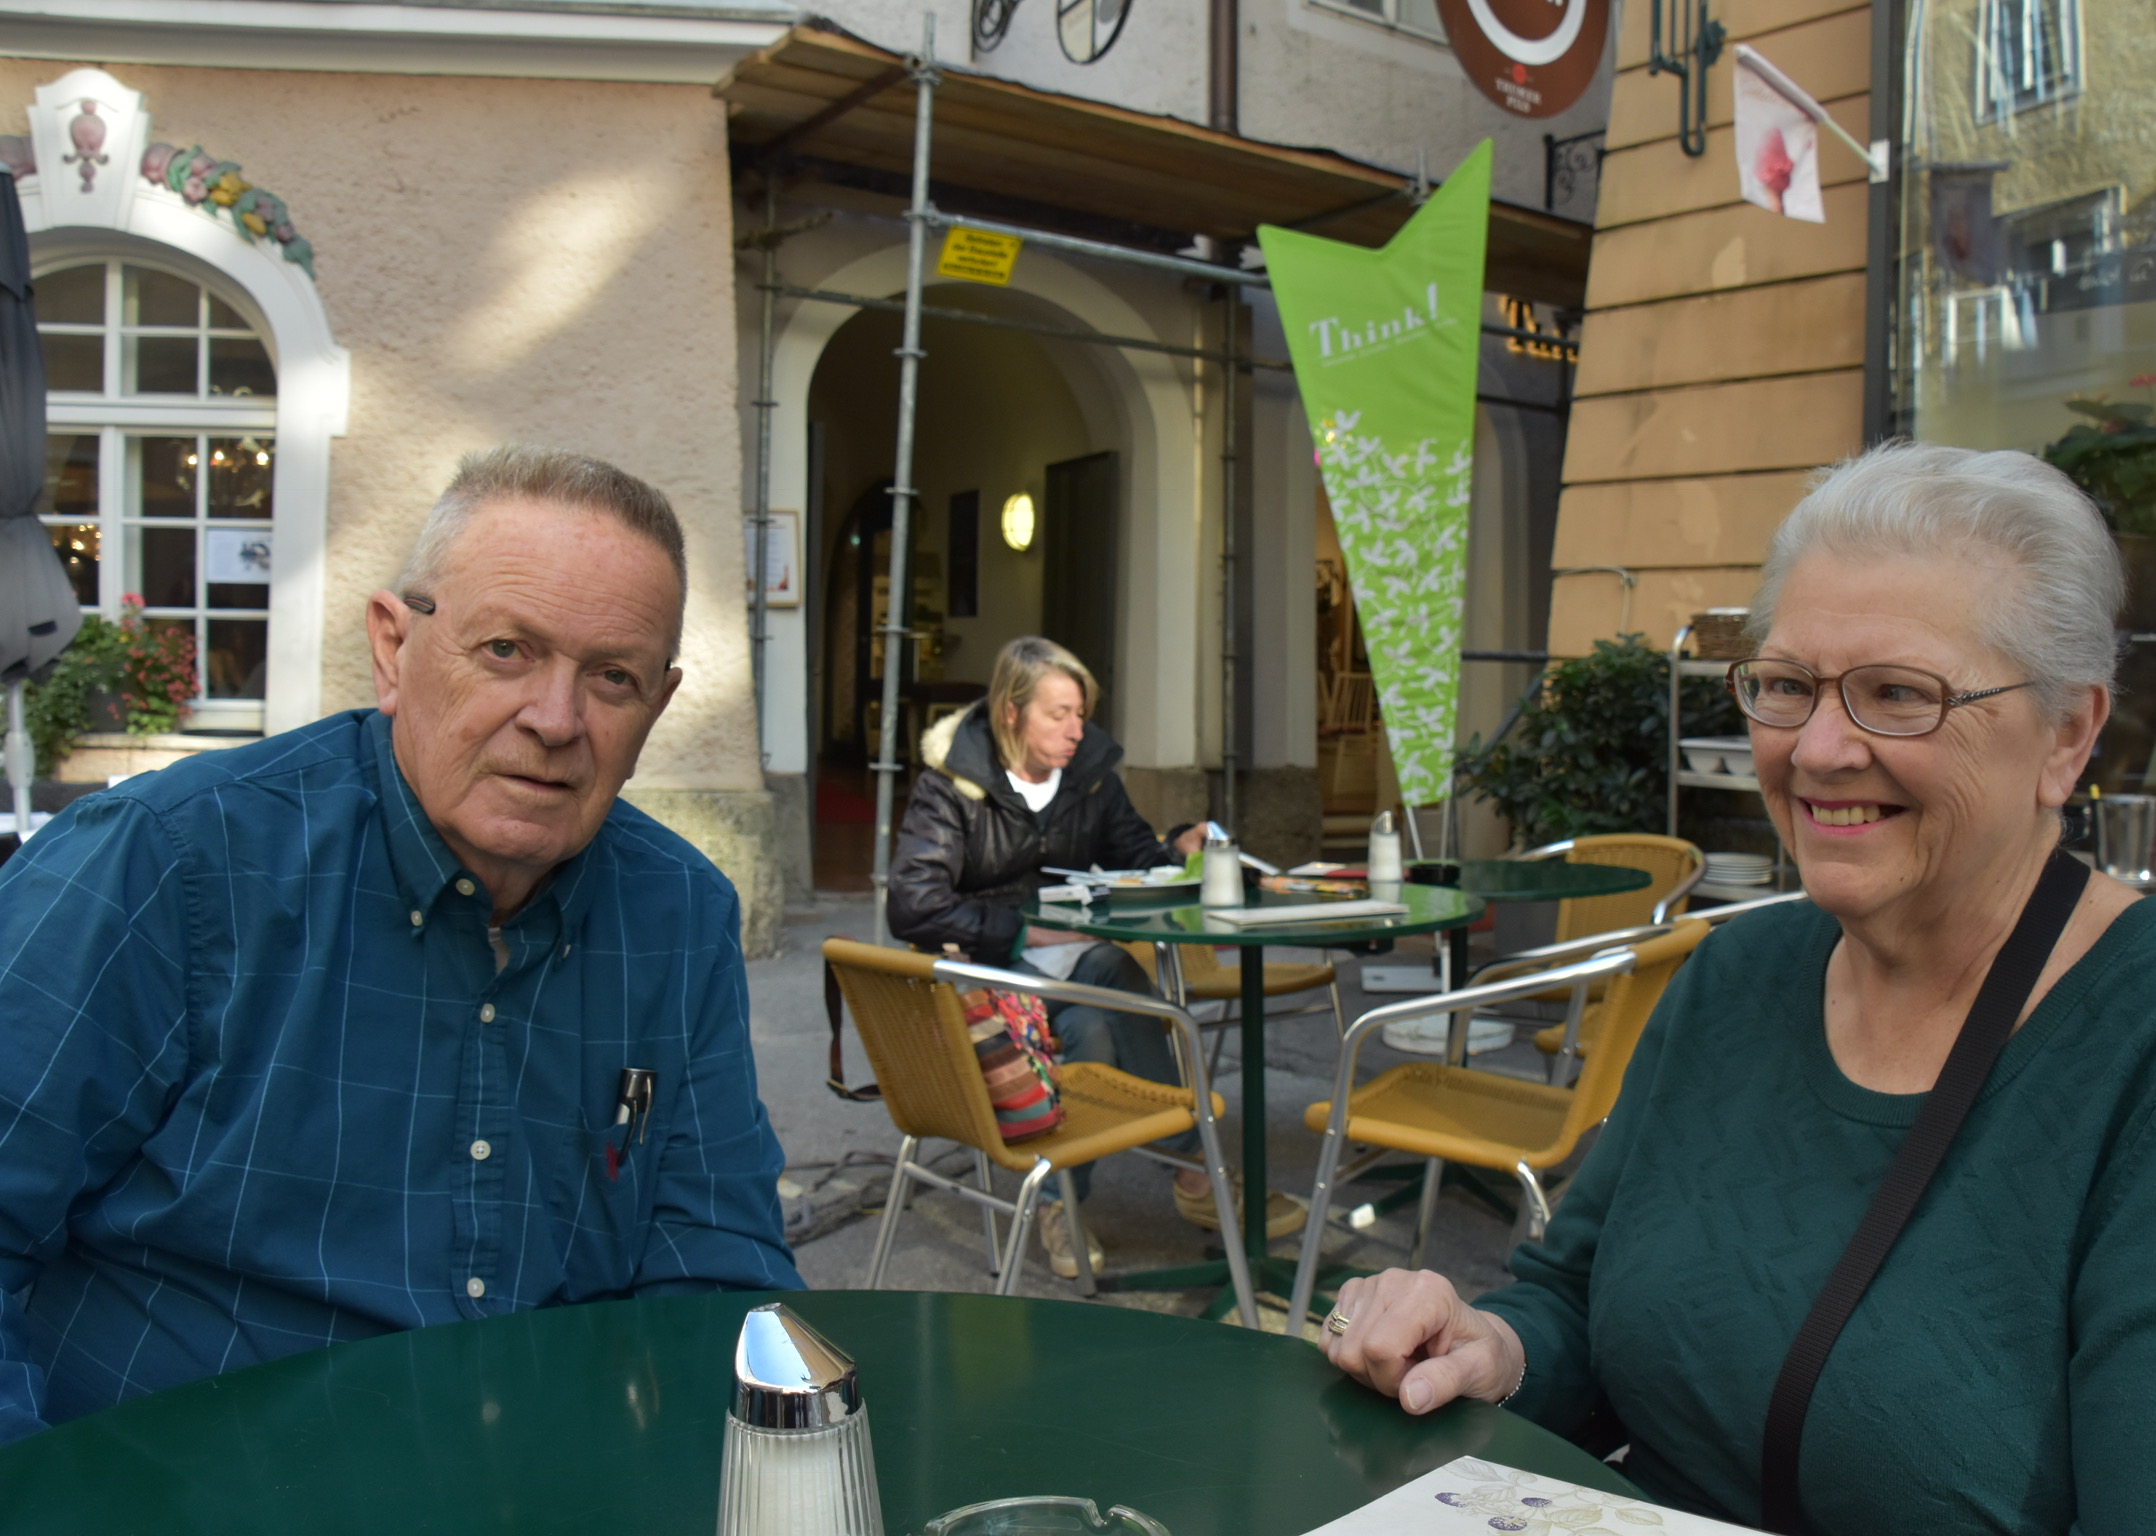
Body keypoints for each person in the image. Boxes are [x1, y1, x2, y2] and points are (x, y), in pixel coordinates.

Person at [1317, 443, 2156, 1534]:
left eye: (1900, 694)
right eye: (1788, 686)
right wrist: (1487, 1351)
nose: (1820, 749)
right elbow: (1579, 1305)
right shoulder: (1735, 975)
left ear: (2066, 736)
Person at [0, 447, 802, 1445]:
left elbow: (714, 1276)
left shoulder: (677, 912)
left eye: (612, 677)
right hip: (185, 1483)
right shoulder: (172, 863)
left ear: (657, 707)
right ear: (392, 648)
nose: (556, 720)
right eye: (506, 649)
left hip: (537, 1487)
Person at [888, 635, 1304, 1276]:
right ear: (1011, 713)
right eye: (1059, 714)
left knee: (1097, 1006)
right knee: (1103, 988)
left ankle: (1066, 1203)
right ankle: (1194, 1168)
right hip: (987, 970)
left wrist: (1179, 850)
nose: (1077, 730)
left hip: (1071, 969)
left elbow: (1139, 860)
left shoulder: (1090, 781)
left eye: (1080, 713)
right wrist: (1021, 934)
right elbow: (912, 903)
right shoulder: (951, 787)